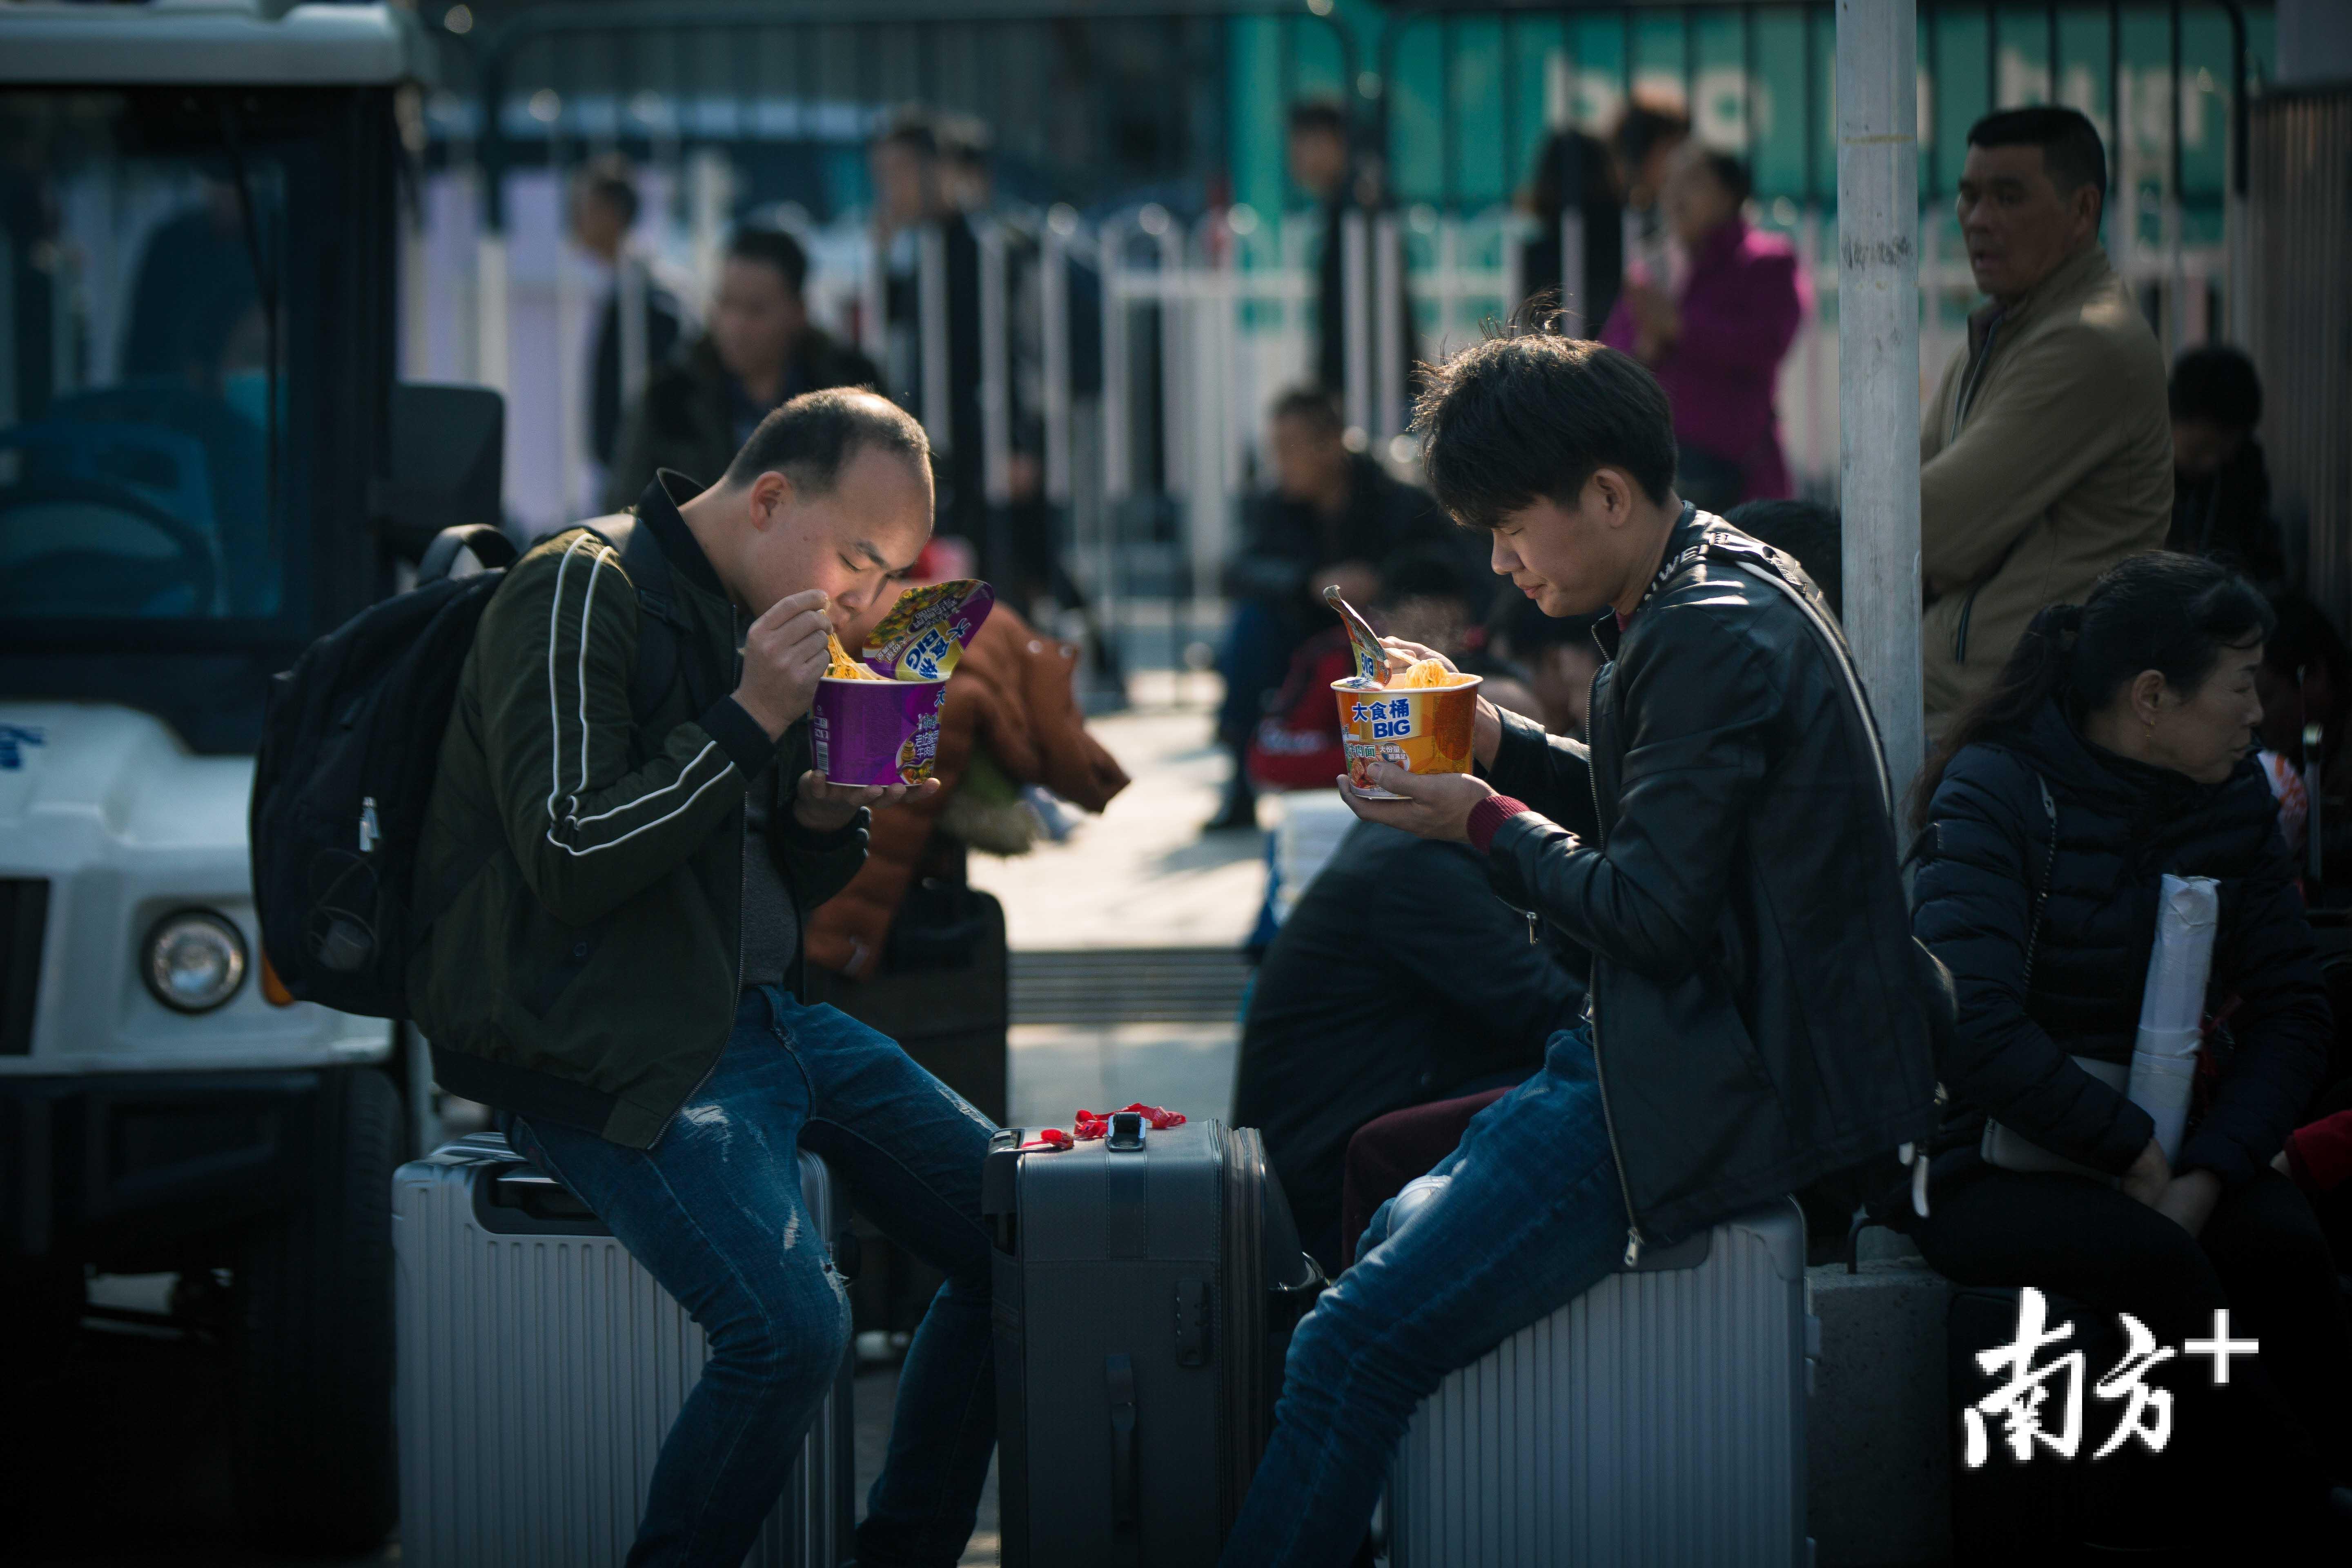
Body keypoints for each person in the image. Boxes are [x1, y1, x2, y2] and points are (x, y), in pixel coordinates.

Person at [1215, 327, 1939, 1566]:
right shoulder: (1718, 574)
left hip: (1690, 1083)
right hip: (1662, 1056)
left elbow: (1650, 912)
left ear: (1606, 494)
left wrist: (1474, 816)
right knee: (1377, 1258)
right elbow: (1653, 814)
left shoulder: (1702, 628)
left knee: (1346, 1342)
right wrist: (1487, 737)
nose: (1499, 562)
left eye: (1510, 529)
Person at [414, 390, 997, 1568]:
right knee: (791, 1330)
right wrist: (750, 716)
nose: (868, 602)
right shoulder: (579, 585)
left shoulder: (759, 610)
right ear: (770, 497)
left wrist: (825, 811)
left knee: (1032, 1235)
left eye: (891, 577)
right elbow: (570, 853)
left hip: (772, 1023)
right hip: (611, 1043)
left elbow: (762, 879)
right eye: (860, 561)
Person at [1904, 552, 2352, 1541]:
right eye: (2239, 686)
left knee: (2281, 1241)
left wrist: (2204, 1169)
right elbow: (1969, 1021)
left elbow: (2293, 1007)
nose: (2257, 714)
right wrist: (2133, 1152)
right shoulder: (1998, 787)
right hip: (1989, 1157)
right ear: (2151, 697)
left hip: (2173, 1144)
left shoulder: (2228, 796)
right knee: (2158, 1260)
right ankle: (2306, 1507)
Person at [1234, 809, 1580, 1276]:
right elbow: (1553, 1012)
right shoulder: (1419, 868)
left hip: (1318, 1174)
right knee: (1583, 1089)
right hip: (1330, 1206)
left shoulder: (1403, 842)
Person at [1920, 106, 2172, 739]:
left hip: (2028, 726)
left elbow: (1925, 530)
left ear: (2082, 211)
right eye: (1970, 196)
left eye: (2008, 198)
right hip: (1967, 708)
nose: (1978, 219)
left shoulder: (2089, 343)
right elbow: (1900, 513)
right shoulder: (2000, 331)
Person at [1211, 386, 1446, 831]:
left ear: (1330, 444)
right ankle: (1242, 780)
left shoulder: (1395, 498)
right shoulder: (1274, 505)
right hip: (1303, 628)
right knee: (1249, 627)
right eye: (1275, 448)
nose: (1281, 462)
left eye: (1290, 448)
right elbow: (1240, 571)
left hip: (1382, 631)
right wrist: (1308, 584)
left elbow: (1439, 564)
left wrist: (1380, 580)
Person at [603, 227, 880, 510]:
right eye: (726, 304)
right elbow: (627, 513)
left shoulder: (853, 394)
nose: (735, 326)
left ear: (798, 312)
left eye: (756, 310)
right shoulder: (669, 400)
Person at [1601, 147, 1807, 512]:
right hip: (1662, 476)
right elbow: (1611, 357)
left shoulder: (1766, 262)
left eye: (1693, 181)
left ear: (1730, 195)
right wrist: (1644, 349)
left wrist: (1681, 329)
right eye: (1670, 182)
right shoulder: (1652, 267)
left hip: (1739, 477)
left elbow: (1766, 343)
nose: (1676, 194)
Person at [1289, 98, 1416, 420]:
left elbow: (1352, 306)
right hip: (1373, 378)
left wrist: (1333, 383)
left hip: (1374, 382)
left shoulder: (1357, 210)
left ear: (1333, 143)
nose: (1296, 158)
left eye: (1305, 144)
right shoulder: (1348, 206)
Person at [571, 156, 686, 475]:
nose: (576, 220)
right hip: (620, 465)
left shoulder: (646, 293)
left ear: (612, 214)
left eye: (586, 208)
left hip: (643, 467)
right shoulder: (618, 286)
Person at [2168, 343, 2284, 587]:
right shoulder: (2142, 474)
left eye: (2224, 453)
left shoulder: (2243, 473)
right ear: (2171, 421)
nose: (2211, 464)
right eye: (2199, 451)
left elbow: (2259, 560)